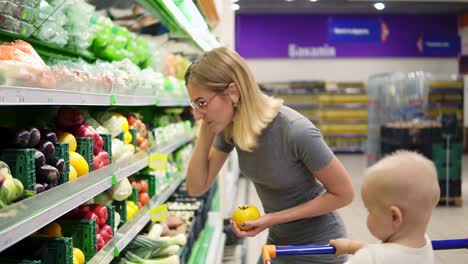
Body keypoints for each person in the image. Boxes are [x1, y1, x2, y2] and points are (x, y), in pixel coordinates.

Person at [184, 47, 355, 264]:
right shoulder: (230, 128)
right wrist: (205, 132)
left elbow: (344, 194)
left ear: (233, 92)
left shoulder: (295, 130)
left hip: (319, 247)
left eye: (202, 102)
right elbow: (196, 187)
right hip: (278, 241)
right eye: (194, 105)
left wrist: (272, 218)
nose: (198, 113)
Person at [330, 150, 440, 264]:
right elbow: (386, 254)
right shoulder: (424, 245)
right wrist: (350, 246)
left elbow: (376, 256)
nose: (367, 217)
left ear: (394, 217)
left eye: (369, 211)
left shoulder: (367, 258)